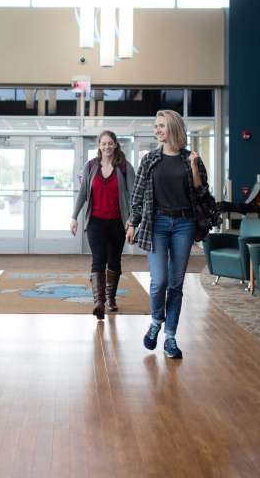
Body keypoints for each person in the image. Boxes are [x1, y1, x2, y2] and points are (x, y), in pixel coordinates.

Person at [126, 109, 210, 359]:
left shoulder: (191, 159)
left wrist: (194, 166)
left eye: (161, 126)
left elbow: (201, 191)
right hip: (158, 224)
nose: (157, 130)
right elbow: (137, 195)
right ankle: (155, 322)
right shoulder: (150, 159)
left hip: (184, 224)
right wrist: (132, 222)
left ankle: (170, 337)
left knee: (176, 284)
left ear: (173, 128)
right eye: (156, 126)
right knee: (159, 281)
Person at [70, 130, 135, 320]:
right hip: (95, 223)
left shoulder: (124, 167)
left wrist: (131, 222)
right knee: (98, 260)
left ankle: (111, 298)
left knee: (114, 260)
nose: (107, 147)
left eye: (110, 143)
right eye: (103, 143)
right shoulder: (90, 166)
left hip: (117, 223)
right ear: (99, 145)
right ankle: (99, 302)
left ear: (115, 145)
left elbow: (133, 197)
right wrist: (74, 217)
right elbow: (83, 193)